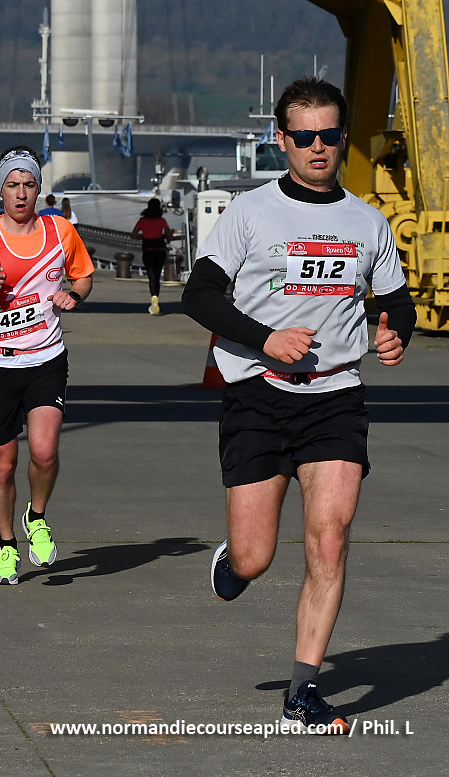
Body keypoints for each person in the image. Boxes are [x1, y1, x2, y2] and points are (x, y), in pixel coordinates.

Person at [182, 77, 417, 734]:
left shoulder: (367, 222)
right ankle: (235, 561)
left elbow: (397, 301)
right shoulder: (250, 213)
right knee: (256, 557)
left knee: (330, 540)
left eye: (330, 134)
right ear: (281, 140)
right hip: (258, 395)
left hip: (336, 396)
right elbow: (199, 296)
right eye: (304, 136)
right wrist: (265, 338)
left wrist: (396, 332)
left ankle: (303, 693)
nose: (319, 146)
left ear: (342, 137)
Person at [0, 145, 94, 586]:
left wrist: (74, 294)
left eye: (29, 184)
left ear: (38, 189)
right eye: (12, 184)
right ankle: (7, 546)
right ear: (1, 190)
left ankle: (38, 516)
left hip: (46, 358)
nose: (21, 193)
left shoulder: (60, 231)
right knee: (4, 463)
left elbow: (84, 276)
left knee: (45, 451)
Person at [131, 197, 173, 315]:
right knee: (157, 275)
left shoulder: (142, 221)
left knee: (152, 275)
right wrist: (164, 236)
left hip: (148, 250)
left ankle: (153, 298)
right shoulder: (162, 221)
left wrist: (143, 237)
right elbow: (169, 236)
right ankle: (156, 297)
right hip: (160, 250)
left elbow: (134, 235)